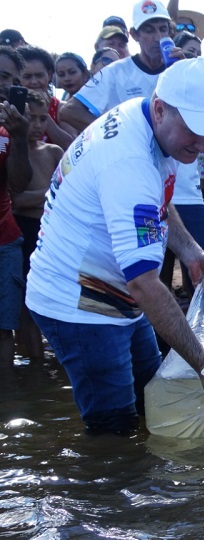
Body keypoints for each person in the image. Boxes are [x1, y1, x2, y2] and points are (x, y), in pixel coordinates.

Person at [25, 58, 204, 434]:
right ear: (160, 109)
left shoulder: (151, 125)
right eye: (196, 128)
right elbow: (144, 283)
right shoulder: (128, 161)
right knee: (115, 432)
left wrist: (191, 251)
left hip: (119, 289)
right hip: (80, 304)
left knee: (152, 400)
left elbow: (158, 197)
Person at [61, 0, 175, 133]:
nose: (158, 37)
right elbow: (68, 111)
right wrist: (115, 134)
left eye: (163, 29)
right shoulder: (115, 71)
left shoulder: (180, 68)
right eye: (149, 31)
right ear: (134, 35)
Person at [10, 92, 63, 362]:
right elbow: (16, 200)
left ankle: (47, 362)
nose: (38, 125)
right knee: (26, 306)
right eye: (31, 119)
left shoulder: (53, 152)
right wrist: (48, 193)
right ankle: (35, 364)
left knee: (52, 300)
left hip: (49, 233)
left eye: (43, 118)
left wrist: (36, 198)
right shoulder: (11, 150)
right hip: (22, 231)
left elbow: (67, 193)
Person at [0, 45, 32, 367]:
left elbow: (18, 183)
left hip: (4, 242)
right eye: (0, 76)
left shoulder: (8, 131)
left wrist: (20, 137)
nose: (4, 84)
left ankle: (7, 405)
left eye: (11, 79)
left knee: (3, 332)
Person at [17, 45, 76, 150]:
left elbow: (72, 147)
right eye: (27, 77)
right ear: (17, 77)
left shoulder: (62, 108)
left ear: (49, 75)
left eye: (39, 75)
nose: (34, 82)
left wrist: (42, 112)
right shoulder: (12, 106)